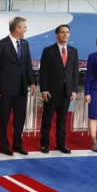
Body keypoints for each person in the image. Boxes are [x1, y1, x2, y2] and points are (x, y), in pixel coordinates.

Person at [0, 16, 36, 156]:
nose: (26, 29)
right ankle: (4, 145)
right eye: (24, 27)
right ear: (17, 28)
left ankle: (18, 144)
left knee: (20, 118)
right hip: (5, 89)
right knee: (4, 119)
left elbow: (28, 64)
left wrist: (32, 82)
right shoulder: (1, 44)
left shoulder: (25, 43)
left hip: (22, 89)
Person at [39, 24, 79, 154]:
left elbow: (75, 72)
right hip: (51, 92)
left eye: (67, 32)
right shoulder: (48, 51)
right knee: (47, 120)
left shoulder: (73, 51)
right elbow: (43, 72)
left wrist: (74, 90)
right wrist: (44, 90)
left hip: (66, 91)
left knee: (62, 120)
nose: (65, 34)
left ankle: (61, 144)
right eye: (62, 32)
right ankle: (45, 144)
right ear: (57, 35)